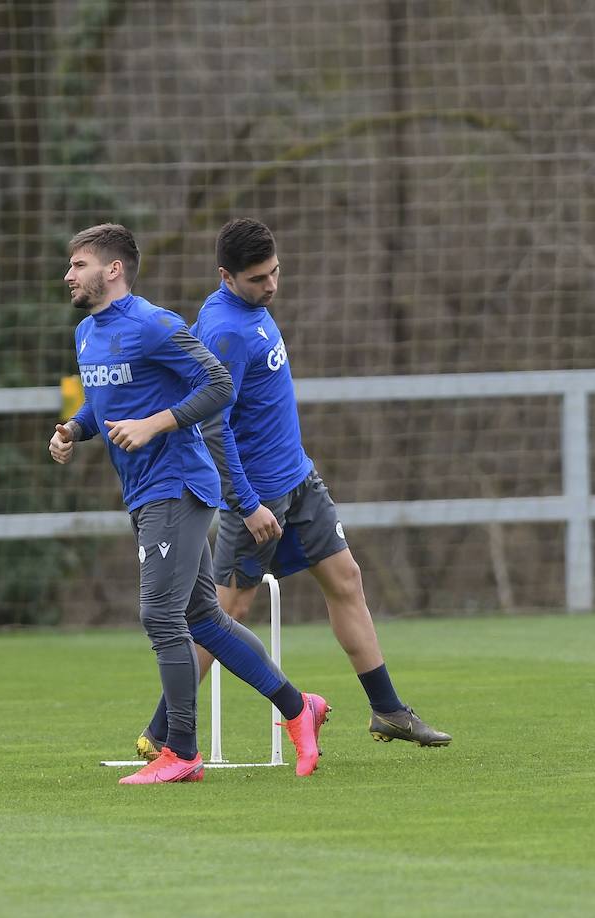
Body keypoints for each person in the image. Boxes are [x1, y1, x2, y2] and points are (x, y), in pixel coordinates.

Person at [134, 218, 450, 758]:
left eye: (275, 272)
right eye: (258, 278)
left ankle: (388, 710)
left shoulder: (252, 311)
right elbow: (214, 425)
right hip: (256, 498)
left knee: (346, 579)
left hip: (300, 480)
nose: (271, 285)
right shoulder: (225, 331)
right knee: (223, 616)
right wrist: (248, 502)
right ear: (226, 277)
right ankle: (161, 731)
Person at [50, 223, 329, 784]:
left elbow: (220, 385)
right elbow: (105, 404)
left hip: (178, 483)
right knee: (203, 618)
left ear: (113, 269)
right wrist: (73, 431)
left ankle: (180, 751)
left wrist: (155, 425)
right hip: (145, 490)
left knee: (160, 614)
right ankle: (300, 708)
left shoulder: (154, 325)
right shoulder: (86, 334)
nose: (68, 275)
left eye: (79, 265)